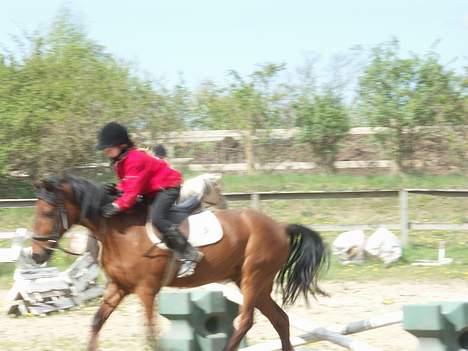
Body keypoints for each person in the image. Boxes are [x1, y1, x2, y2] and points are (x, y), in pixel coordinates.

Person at [96, 122, 203, 278]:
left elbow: (131, 195)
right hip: (151, 190)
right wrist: (117, 189)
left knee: (158, 218)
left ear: (122, 145)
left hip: (168, 187)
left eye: (109, 148)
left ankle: (190, 253)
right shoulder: (120, 162)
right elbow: (131, 184)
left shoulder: (135, 159)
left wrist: (115, 205)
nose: (106, 151)